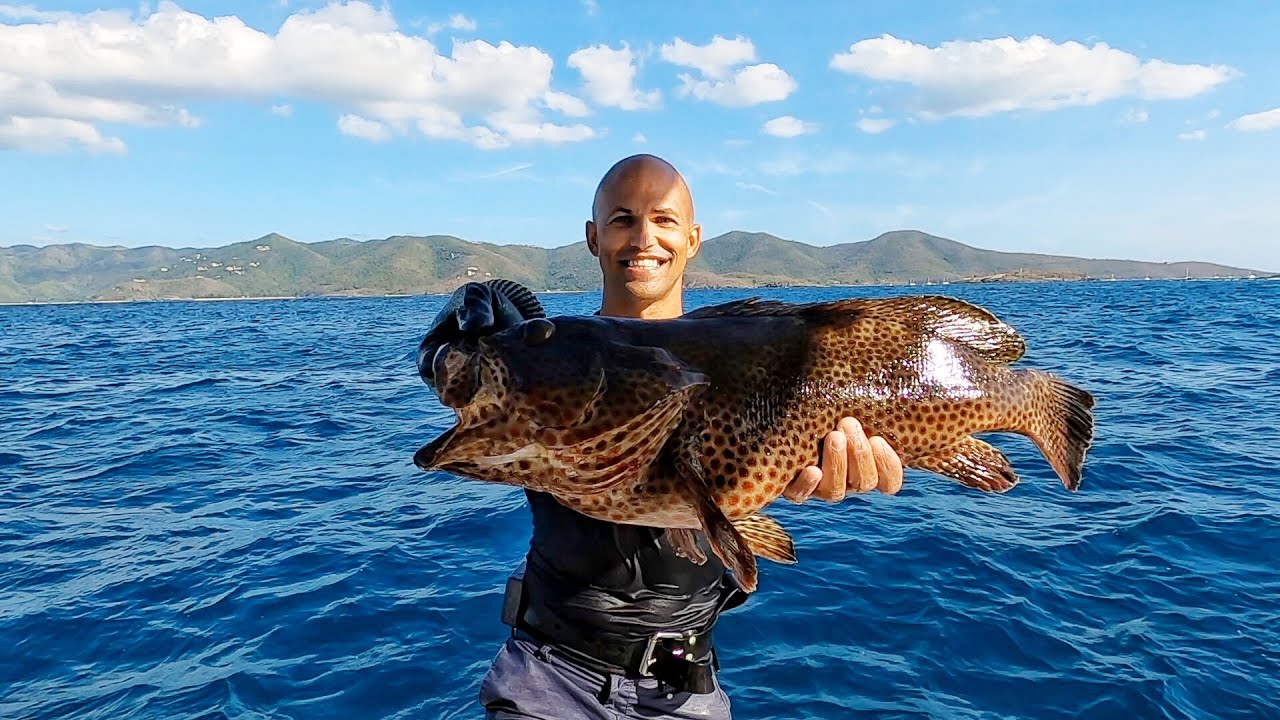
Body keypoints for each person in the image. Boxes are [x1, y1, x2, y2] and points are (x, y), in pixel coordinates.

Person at [418, 154, 904, 719]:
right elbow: (463, 381)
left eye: (664, 219)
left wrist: (815, 474)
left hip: (688, 690)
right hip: (549, 680)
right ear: (593, 237)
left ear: (693, 239)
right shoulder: (554, 359)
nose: (643, 236)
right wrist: (459, 319)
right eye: (622, 219)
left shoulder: (739, 352)